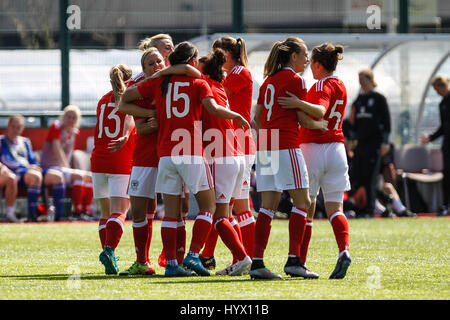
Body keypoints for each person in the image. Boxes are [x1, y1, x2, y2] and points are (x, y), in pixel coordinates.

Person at [120, 41, 250, 277]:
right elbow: (213, 109)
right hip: (190, 150)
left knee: (170, 213)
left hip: (165, 155)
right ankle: (192, 255)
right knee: (208, 207)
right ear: (192, 61)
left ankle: (171, 264)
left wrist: (153, 111)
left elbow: (125, 98)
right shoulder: (198, 82)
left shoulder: (158, 81)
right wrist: (237, 116)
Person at [250, 37, 321, 280]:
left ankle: (257, 263)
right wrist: (319, 124)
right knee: (303, 202)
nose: (307, 59)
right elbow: (302, 119)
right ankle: (294, 261)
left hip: (266, 146)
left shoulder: (268, 80)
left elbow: (257, 117)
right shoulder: (296, 80)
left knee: (267, 208)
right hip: (286, 145)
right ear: (293, 56)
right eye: (304, 54)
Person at [279, 43, 352, 279]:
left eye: (312, 64)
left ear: (319, 65)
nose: (310, 68)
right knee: (335, 209)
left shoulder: (322, 84)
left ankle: (298, 259)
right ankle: (344, 251)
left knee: (303, 206)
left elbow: (320, 111)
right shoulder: (341, 84)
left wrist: (298, 103)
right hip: (337, 150)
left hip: (313, 148)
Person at [195, 49, 251, 276]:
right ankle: (241, 258)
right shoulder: (218, 85)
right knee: (226, 215)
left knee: (218, 216)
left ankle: (242, 257)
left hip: (221, 157)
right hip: (235, 155)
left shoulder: (204, 85)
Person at [212, 36, 256, 263]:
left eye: (218, 54)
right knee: (227, 206)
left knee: (238, 207)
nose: (216, 59)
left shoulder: (240, 73)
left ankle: (251, 258)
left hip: (240, 143)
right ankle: (239, 258)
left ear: (228, 54)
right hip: (232, 143)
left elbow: (219, 96)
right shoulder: (234, 73)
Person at [92, 64, 136, 275]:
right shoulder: (131, 98)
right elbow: (130, 119)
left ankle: (107, 255)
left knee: (105, 212)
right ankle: (109, 250)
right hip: (120, 159)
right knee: (120, 212)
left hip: (98, 160)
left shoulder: (102, 100)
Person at [0, 115, 66, 222]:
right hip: (16, 173)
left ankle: (59, 216)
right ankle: (32, 216)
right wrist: (28, 167)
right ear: (8, 126)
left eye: (18, 127)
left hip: (29, 170)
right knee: (35, 177)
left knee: (58, 176)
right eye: (13, 126)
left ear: (22, 128)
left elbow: (32, 160)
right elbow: (6, 160)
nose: (15, 130)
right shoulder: (2, 141)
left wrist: (35, 166)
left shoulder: (25, 141)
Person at [39, 104, 94, 220]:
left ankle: (86, 211)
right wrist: (68, 167)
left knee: (89, 177)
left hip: (63, 168)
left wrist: (69, 168)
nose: (71, 120)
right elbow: (57, 147)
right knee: (79, 176)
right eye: (68, 116)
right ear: (63, 117)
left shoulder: (75, 132)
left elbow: (69, 153)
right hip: (50, 167)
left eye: (74, 117)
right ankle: (77, 212)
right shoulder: (56, 126)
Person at [349, 69, 391, 217]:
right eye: (358, 78)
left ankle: (370, 210)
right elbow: (352, 123)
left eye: (363, 78)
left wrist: (385, 142)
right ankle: (362, 209)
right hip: (360, 145)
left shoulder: (379, 98)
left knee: (370, 178)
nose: (360, 81)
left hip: (374, 144)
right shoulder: (358, 100)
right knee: (359, 177)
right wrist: (351, 140)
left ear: (369, 79)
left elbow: (386, 122)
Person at [420, 75, 450, 216]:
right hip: (447, 144)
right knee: (447, 174)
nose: (437, 92)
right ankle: (446, 205)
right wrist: (430, 138)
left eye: (438, 89)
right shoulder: (442, 104)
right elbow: (444, 127)